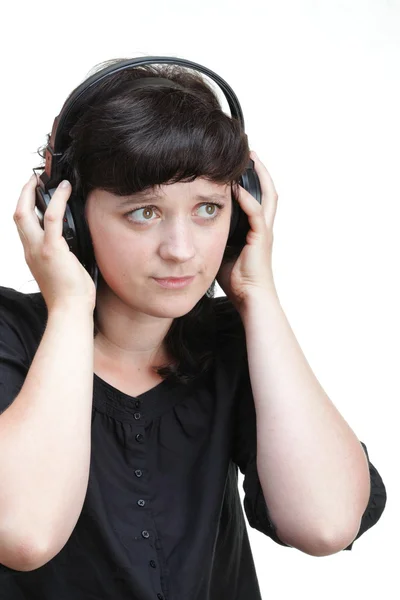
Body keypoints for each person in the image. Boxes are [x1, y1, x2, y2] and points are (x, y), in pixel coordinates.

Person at [0, 58, 386, 600]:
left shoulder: (234, 342)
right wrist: (68, 307)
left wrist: (258, 294)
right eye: (144, 213)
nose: (182, 250)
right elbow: (24, 533)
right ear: (68, 216)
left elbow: (325, 523)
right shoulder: (9, 336)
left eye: (208, 208)